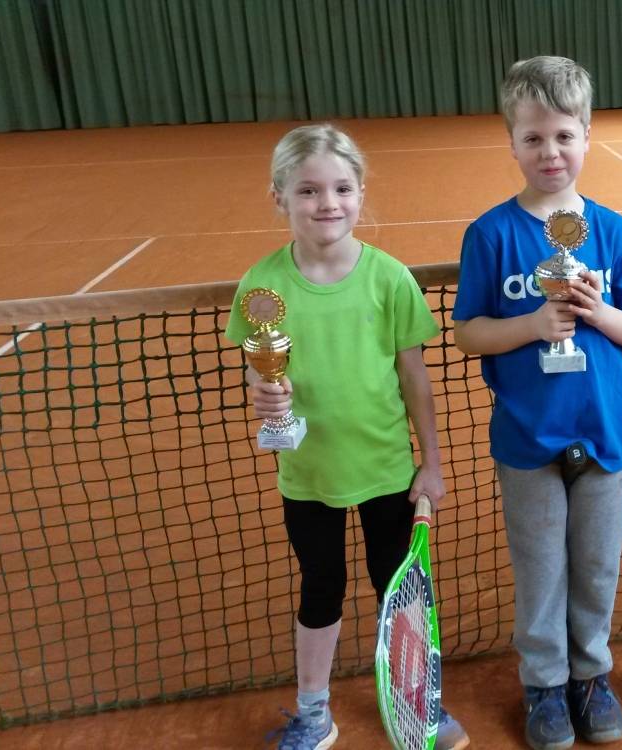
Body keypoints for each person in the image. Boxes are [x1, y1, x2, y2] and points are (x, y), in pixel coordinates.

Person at [225, 124, 470, 749]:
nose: (326, 203)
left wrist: (431, 463)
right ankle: (313, 711)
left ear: (361, 193)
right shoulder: (262, 287)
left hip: (388, 470)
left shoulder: (389, 279)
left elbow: (415, 379)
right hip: (308, 475)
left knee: (400, 589)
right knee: (320, 587)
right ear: (279, 196)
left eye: (341, 188)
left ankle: (420, 700)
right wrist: (266, 397)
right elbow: (263, 374)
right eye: (307, 190)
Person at [451, 56, 622, 750]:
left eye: (564, 136)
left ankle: (590, 678)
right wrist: (533, 326)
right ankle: (543, 684)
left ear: (587, 136)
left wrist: (598, 313)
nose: (550, 151)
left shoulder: (612, 231)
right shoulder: (491, 233)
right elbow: (468, 333)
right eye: (533, 138)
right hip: (525, 437)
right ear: (511, 142)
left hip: (604, 430)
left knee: (597, 567)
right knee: (540, 570)